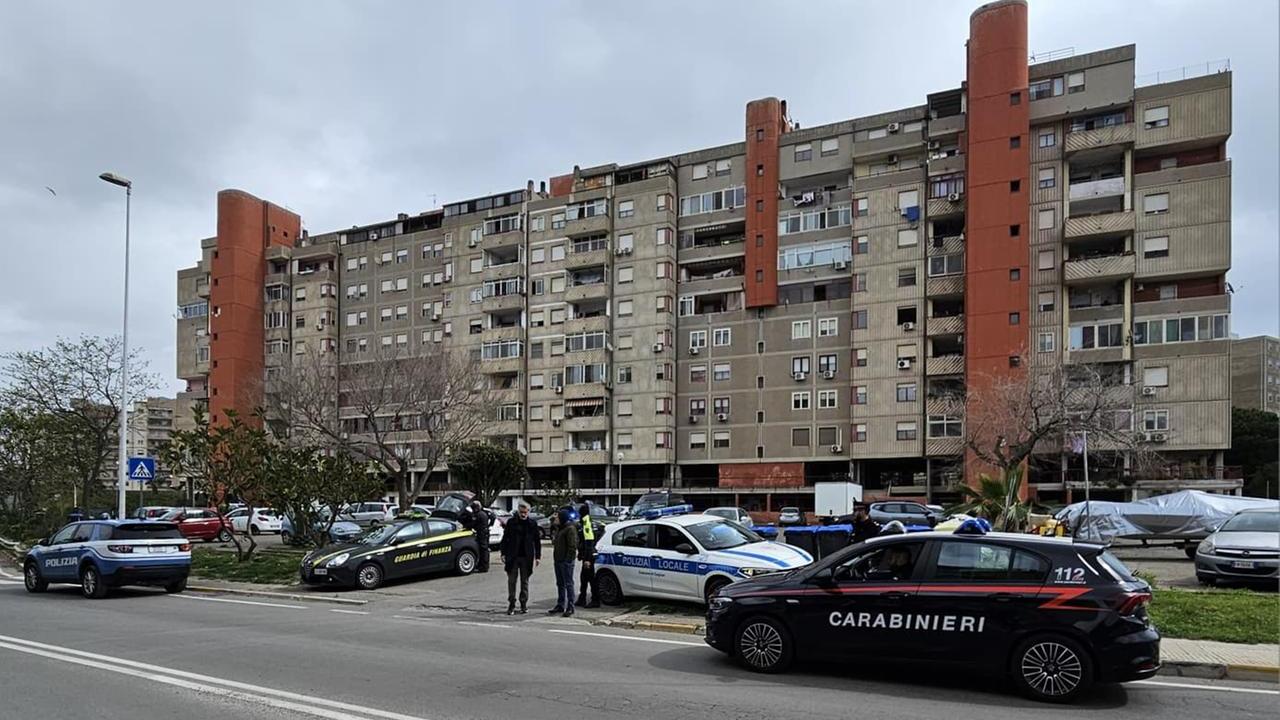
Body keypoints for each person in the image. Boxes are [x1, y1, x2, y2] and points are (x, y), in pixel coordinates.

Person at [500, 502, 540, 615]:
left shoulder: (532, 524)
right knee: (512, 581)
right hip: (512, 556)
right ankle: (511, 604)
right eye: (521, 512)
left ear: (528, 512)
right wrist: (503, 553)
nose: (523, 514)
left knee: (525, 582)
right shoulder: (511, 523)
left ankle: (523, 604)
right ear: (518, 511)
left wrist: (538, 556)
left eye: (525, 512)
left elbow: (537, 541)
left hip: (526, 557)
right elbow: (505, 539)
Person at [550, 507, 580, 616]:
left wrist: (568, 560)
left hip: (565, 561)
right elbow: (552, 524)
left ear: (562, 518)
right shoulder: (560, 528)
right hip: (558, 560)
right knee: (560, 584)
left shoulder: (570, 529)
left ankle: (570, 606)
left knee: (568, 583)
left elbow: (572, 546)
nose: (556, 519)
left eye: (558, 517)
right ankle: (560, 604)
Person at [576, 502, 599, 608]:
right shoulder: (586, 521)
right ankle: (582, 598)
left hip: (589, 556)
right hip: (586, 555)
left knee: (590, 578)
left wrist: (587, 559)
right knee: (584, 578)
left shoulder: (586, 523)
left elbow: (589, 542)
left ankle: (595, 600)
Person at [470, 501, 491, 573]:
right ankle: (483, 565)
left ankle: (484, 567)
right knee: (484, 550)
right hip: (485, 532)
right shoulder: (483, 513)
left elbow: (473, 524)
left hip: (482, 533)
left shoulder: (478, 515)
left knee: (483, 550)